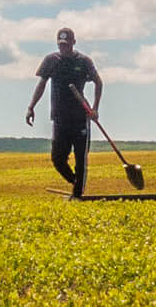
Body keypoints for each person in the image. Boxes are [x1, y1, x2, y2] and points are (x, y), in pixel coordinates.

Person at [25, 27, 102, 198]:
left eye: (67, 44)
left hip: (81, 117)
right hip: (60, 117)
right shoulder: (51, 60)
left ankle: (78, 194)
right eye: (61, 44)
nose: (64, 47)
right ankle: (75, 182)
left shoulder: (84, 61)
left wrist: (95, 108)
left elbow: (98, 82)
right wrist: (31, 106)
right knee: (57, 159)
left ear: (74, 43)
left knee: (81, 159)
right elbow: (42, 84)